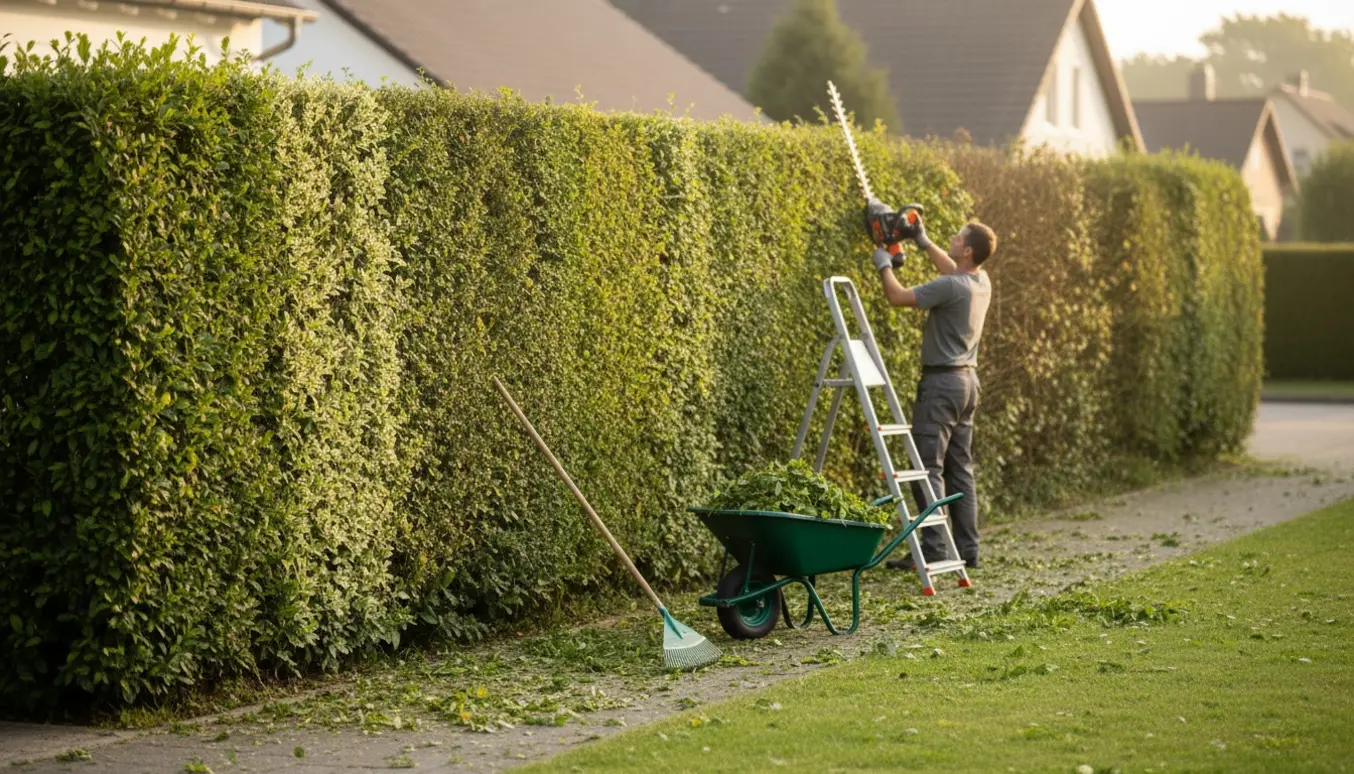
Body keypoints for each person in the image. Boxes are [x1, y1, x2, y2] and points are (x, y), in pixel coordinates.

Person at [868, 218, 996, 570]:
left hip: (940, 387)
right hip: (968, 383)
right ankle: (968, 551)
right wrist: (922, 241)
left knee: (927, 468)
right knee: (960, 470)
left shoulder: (951, 287)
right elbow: (953, 270)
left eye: (957, 238)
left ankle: (935, 549)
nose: (951, 239)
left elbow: (896, 296)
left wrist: (883, 265)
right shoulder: (979, 280)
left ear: (967, 249)